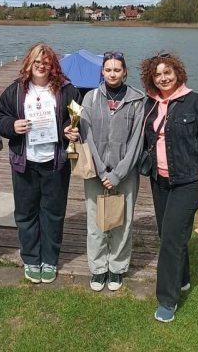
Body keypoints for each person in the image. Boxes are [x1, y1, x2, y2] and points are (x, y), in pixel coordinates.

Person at [140, 51, 198, 322]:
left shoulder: (196, 102)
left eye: (167, 72)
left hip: (189, 181)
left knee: (171, 239)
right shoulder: (150, 103)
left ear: (178, 73)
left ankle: (167, 300)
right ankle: (183, 278)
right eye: (157, 74)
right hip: (159, 180)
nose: (163, 78)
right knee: (168, 234)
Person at [0, 42, 82, 284]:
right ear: (29, 64)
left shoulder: (67, 90)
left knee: (53, 214)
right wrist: (12, 126)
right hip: (24, 162)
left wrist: (70, 129)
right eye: (36, 62)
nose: (41, 66)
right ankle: (32, 258)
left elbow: (77, 118)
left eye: (46, 62)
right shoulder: (16, 90)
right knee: (26, 213)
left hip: (55, 162)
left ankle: (49, 259)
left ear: (53, 65)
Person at [80, 51, 144, 292]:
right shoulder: (90, 98)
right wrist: (100, 169)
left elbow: (137, 140)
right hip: (95, 172)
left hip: (125, 174)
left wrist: (118, 174)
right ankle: (98, 268)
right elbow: (85, 135)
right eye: (108, 70)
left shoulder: (137, 100)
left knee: (122, 222)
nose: (112, 74)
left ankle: (117, 267)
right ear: (102, 72)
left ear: (125, 72)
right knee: (95, 222)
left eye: (117, 69)